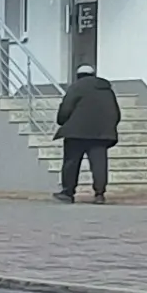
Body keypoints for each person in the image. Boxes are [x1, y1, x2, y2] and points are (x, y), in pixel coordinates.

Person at [55, 64, 120, 202]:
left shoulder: (76, 87)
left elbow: (66, 108)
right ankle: (99, 194)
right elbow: (115, 112)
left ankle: (68, 193)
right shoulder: (106, 90)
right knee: (99, 164)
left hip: (76, 132)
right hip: (100, 133)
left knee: (71, 163)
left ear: (78, 75)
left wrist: (61, 121)